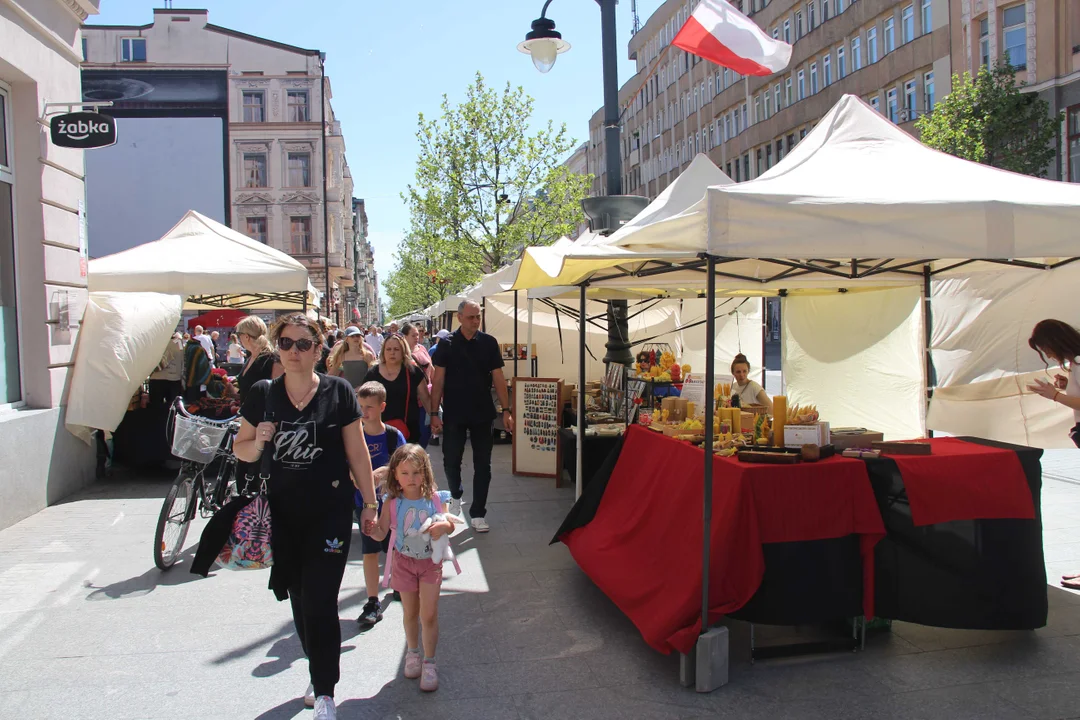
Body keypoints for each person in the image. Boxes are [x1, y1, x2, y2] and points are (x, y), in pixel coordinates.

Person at [233, 313, 378, 720]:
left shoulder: (338, 393)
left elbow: (357, 452)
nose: (293, 352)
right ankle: (317, 668)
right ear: (276, 347)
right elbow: (240, 449)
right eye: (285, 343)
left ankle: (326, 691)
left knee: (320, 599)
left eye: (302, 344)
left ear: (318, 349)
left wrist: (370, 504)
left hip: (329, 513)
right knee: (297, 598)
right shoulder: (263, 393)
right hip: (281, 516)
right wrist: (258, 440)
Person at [365, 444, 454, 692]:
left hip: (430, 565)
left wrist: (444, 528)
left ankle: (429, 661)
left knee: (429, 614)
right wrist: (373, 530)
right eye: (405, 473)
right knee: (410, 613)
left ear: (425, 473)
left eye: (416, 473)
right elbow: (382, 531)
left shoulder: (436, 499)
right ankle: (413, 653)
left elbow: (450, 525)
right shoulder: (391, 503)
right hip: (403, 563)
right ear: (395, 475)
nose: (411, 479)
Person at [430, 300, 514, 533]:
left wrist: (506, 410)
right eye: (471, 317)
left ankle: (478, 512)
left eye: (478, 316)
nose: (475, 321)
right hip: (455, 413)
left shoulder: (488, 343)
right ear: (459, 318)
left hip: (482, 413)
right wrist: (434, 413)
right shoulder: (445, 344)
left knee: (483, 465)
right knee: (450, 460)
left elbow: (498, 377)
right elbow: (438, 381)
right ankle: (456, 495)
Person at [354, 381, 407, 627]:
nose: (364, 412)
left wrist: (384, 471)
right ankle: (372, 600)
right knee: (369, 550)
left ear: (382, 407)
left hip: (390, 505)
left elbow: (404, 465)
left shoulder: (392, 435)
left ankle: (397, 582)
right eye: (361, 406)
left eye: (369, 407)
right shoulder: (353, 435)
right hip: (363, 503)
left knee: (392, 547)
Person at [365, 334, 432, 444]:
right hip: (379, 431)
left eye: (396, 349)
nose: (392, 352)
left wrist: (434, 418)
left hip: (408, 430)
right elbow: (364, 401)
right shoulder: (373, 374)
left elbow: (425, 398)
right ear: (383, 352)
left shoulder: (413, 372)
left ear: (403, 351)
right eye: (388, 349)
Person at [234, 316, 283, 403]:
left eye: (238, 335)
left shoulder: (271, 360)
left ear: (246, 336)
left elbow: (280, 394)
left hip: (263, 415)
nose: (238, 339)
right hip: (247, 414)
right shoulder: (251, 357)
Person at [403, 322, 434, 448]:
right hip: (411, 399)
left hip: (426, 396)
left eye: (418, 334)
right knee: (414, 434)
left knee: (425, 432)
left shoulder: (422, 348)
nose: (417, 337)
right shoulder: (402, 353)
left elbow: (431, 368)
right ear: (404, 336)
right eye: (413, 335)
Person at [149, 332, 184, 409]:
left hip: (159, 378)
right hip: (175, 378)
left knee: (156, 407)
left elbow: (163, 363)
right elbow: (182, 359)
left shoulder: (165, 343)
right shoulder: (179, 342)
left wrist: (149, 370)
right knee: (173, 407)